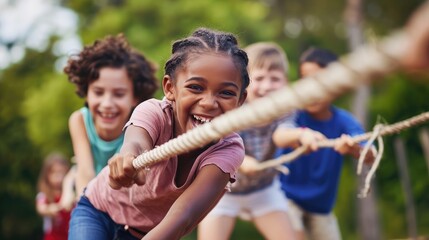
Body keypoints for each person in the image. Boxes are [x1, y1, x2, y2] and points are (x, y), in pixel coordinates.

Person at [68, 27, 250, 240]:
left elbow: (184, 217)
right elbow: (136, 143)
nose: (209, 103)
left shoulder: (228, 150)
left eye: (226, 92)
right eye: (195, 88)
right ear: (170, 88)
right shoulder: (155, 112)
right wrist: (128, 161)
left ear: (240, 100)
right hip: (98, 211)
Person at [272, 47, 376, 240]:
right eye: (306, 80)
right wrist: (301, 135)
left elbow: (370, 154)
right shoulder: (293, 112)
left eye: (320, 81)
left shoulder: (344, 121)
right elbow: (280, 135)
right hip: (285, 197)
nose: (312, 88)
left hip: (321, 206)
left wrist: (354, 147)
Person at [198, 42, 295, 240]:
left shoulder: (286, 108)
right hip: (224, 191)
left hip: (263, 189)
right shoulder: (233, 109)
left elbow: (283, 133)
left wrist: (301, 136)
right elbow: (223, 145)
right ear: (244, 83)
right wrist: (242, 161)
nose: (267, 86)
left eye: (274, 79)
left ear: (285, 83)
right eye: (259, 78)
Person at [64, 34, 159, 197]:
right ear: (86, 93)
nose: (107, 103)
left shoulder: (139, 124)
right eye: (98, 92)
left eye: (119, 94)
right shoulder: (79, 120)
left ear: (134, 97)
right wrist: (85, 208)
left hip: (127, 197)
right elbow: (85, 172)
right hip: (94, 193)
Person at [36, 152, 75, 240]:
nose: (58, 177)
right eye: (54, 173)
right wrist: (50, 209)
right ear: (46, 175)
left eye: (61, 173)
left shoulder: (71, 192)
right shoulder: (44, 195)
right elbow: (41, 208)